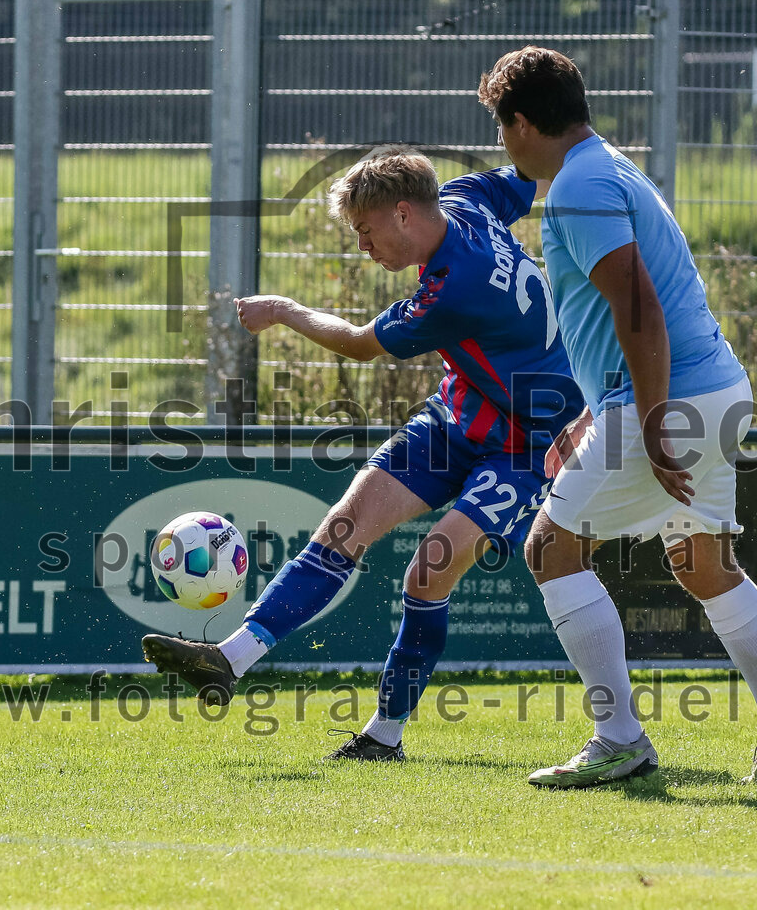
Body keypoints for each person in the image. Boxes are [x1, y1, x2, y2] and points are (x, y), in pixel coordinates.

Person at [143, 149, 583, 760]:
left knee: (427, 572)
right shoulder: (468, 199)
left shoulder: (454, 290)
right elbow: (530, 171)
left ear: (403, 214)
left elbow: (356, 344)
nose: (363, 248)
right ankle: (228, 660)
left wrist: (285, 311)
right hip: (458, 416)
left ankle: (384, 735)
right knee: (342, 529)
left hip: (528, 443)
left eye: (366, 231)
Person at [477, 46, 757, 787]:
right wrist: (600, 411)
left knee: (550, 549)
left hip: (674, 401)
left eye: (501, 126)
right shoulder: (607, 166)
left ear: (521, 121)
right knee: (704, 562)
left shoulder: (578, 186)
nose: (502, 145)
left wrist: (649, 419)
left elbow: (639, 311)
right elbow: (627, 321)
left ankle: (618, 737)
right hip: (714, 391)